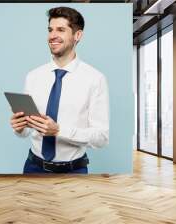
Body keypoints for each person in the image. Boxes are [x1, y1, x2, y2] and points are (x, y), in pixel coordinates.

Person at [10, 6, 109, 174]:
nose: (52, 36)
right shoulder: (33, 76)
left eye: (61, 30)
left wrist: (59, 130)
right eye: (50, 30)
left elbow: (101, 138)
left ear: (77, 35)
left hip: (73, 172)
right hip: (33, 168)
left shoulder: (95, 79)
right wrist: (20, 128)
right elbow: (26, 131)